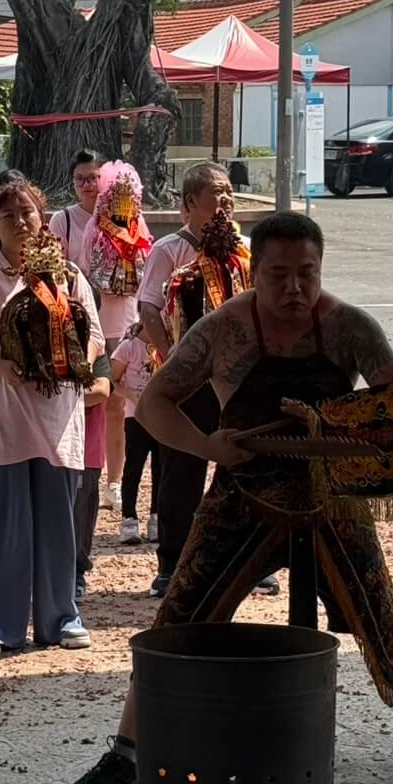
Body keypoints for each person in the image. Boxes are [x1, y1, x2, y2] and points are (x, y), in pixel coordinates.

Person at [67, 211, 393, 784]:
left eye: (308, 273)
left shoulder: (350, 327)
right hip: (241, 492)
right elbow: (155, 403)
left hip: (332, 496)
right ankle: (126, 753)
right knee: (179, 615)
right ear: (257, 273)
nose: (295, 288)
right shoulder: (224, 328)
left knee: (380, 609)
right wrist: (208, 446)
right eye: (279, 275)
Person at [0, 177, 100, 656]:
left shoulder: (69, 276)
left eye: (27, 212)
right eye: (8, 215)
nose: (20, 222)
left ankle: (61, 617)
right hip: (3, 418)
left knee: (58, 524)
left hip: (57, 419)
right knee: (1, 524)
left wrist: (73, 360)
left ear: (43, 217)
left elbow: (94, 336)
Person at [137, 161, 240, 598]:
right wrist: (171, 361)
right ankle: (173, 563)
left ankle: (245, 558)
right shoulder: (170, 250)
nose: (225, 200)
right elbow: (148, 308)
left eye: (228, 191)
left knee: (241, 466)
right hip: (189, 382)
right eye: (216, 192)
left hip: (235, 381)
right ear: (191, 202)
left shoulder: (242, 250)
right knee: (182, 469)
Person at [83, 160, 153, 513]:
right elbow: (88, 276)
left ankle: (119, 481)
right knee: (104, 404)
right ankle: (99, 476)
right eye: (118, 198)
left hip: (132, 327)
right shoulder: (95, 231)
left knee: (124, 409)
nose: (124, 206)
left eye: (130, 199)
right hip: (101, 326)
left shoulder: (141, 233)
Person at [110, 321, 159, 545]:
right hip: (136, 417)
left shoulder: (166, 345)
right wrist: (131, 396)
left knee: (161, 468)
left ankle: (156, 517)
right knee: (133, 468)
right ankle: (129, 518)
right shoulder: (129, 347)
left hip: (161, 417)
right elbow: (112, 380)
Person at [73, 353, 112, 599]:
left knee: (81, 513)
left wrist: (54, 396)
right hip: (46, 447)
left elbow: (100, 391)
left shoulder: (97, 353)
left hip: (86, 451)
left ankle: (76, 571)